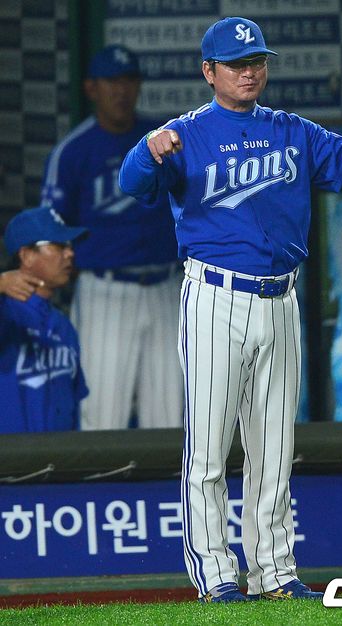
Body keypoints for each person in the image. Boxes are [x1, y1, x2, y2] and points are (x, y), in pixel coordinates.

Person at [119, 16, 342, 602]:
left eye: (257, 61)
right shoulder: (183, 134)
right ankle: (216, 575)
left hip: (280, 299)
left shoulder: (291, 130)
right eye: (237, 64)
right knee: (209, 448)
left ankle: (274, 572)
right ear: (209, 71)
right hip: (214, 296)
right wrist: (146, 151)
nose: (249, 71)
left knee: (274, 449)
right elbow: (133, 185)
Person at [40, 45, 184, 430]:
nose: (121, 90)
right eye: (111, 81)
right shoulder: (73, 151)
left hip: (167, 286)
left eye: (129, 80)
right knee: (102, 415)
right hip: (106, 290)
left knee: (171, 417)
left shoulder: (162, 141)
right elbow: (51, 229)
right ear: (91, 88)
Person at [0, 207, 89, 432]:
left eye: (70, 246)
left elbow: (73, 409)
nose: (69, 253)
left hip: (60, 453)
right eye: (59, 245)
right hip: (10, 454)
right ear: (27, 255)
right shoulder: (5, 315)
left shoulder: (64, 326)